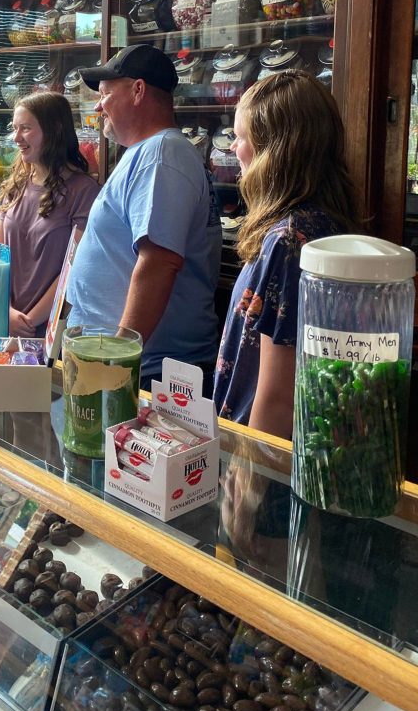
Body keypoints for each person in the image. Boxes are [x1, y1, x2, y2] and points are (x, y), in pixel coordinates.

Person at [213, 69, 360, 438]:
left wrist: (250, 480)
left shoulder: (289, 240)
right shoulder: (320, 223)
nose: (233, 148)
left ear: (272, 149)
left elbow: (279, 397)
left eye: (240, 137)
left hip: (260, 451)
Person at [66, 45, 222, 388]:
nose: (98, 105)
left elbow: (159, 263)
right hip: (126, 364)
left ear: (138, 90)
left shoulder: (161, 154)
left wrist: (118, 362)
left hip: (143, 371)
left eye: (106, 94)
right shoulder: (150, 152)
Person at [0, 92, 99, 337]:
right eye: (14, 128)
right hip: (4, 322)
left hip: (49, 332)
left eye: (26, 128)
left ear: (54, 130)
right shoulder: (15, 185)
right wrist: (5, 311)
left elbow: (74, 270)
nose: (16, 137)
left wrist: (27, 322)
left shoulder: (84, 191)